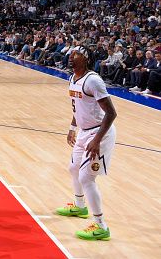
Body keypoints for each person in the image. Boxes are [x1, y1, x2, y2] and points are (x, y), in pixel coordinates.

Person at [55, 45, 117, 241]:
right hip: (84, 132)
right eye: (71, 54)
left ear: (87, 59)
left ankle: (101, 227)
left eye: (77, 54)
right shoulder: (73, 78)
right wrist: (73, 128)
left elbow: (111, 113)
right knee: (73, 168)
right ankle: (80, 206)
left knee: (86, 178)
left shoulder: (93, 81)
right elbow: (78, 108)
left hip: (100, 133)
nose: (71, 57)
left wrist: (97, 140)